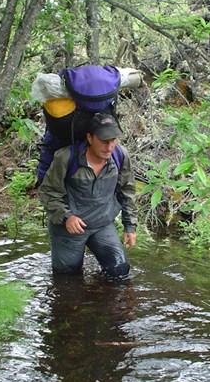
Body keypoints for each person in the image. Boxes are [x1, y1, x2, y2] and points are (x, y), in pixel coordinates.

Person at [38, 113, 137, 278]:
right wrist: (66, 217)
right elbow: (48, 192)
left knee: (120, 271)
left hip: (102, 224)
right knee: (67, 277)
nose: (110, 146)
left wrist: (130, 226)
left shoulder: (120, 156)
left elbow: (127, 191)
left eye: (113, 140)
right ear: (90, 138)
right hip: (69, 228)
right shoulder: (66, 157)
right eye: (104, 141)